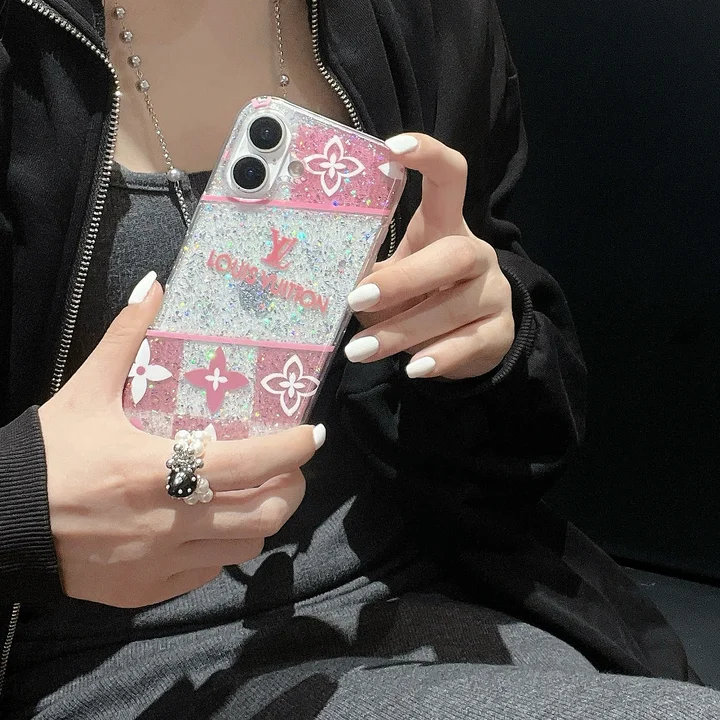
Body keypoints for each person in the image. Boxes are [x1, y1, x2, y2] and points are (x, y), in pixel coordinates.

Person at [0, 0, 718, 717]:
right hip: (85, 666)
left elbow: (530, 437)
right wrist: (19, 506)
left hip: (430, 600)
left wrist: (486, 347)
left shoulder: (433, 18)